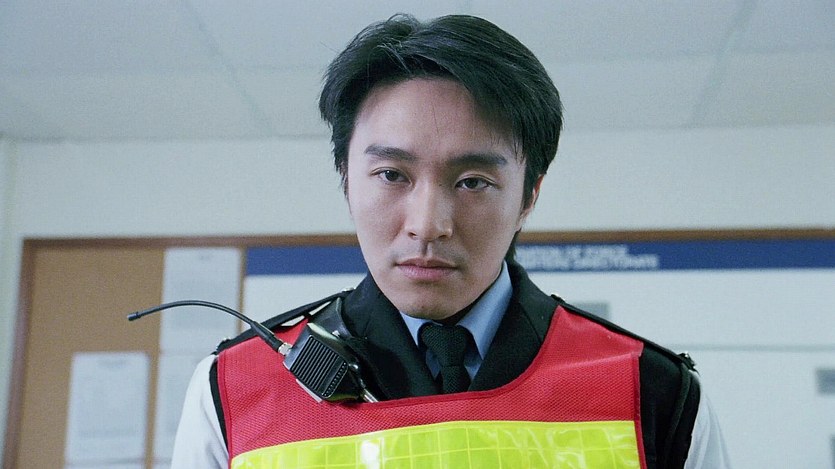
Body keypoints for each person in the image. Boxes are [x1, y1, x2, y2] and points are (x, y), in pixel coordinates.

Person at [171, 13, 730, 468]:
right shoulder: (236, 389)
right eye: (392, 175)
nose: (428, 224)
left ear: (529, 196)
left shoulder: (650, 391)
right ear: (346, 180)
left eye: (472, 182)